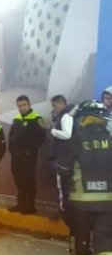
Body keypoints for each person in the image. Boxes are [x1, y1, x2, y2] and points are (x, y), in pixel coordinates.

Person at [66, 100, 112, 255]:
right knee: (106, 242)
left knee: (80, 243)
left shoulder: (75, 140)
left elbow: (63, 169)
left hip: (80, 204)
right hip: (108, 202)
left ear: (84, 118)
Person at [8, 94, 46, 214]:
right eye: (19, 105)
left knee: (29, 180)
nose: (22, 107)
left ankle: (30, 206)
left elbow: (41, 137)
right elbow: (12, 136)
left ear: (29, 105)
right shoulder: (17, 119)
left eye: (24, 105)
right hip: (16, 156)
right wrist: (12, 150)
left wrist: (30, 150)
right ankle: (20, 203)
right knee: (18, 179)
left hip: (28, 156)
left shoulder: (37, 118)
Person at [49, 94, 78, 224]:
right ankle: (65, 209)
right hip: (68, 156)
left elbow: (66, 135)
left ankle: (63, 210)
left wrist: (52, 130)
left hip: (64, 157)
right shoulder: (67, 115)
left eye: (55, 105)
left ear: (62, 103)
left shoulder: (66, 116)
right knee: (66, 186)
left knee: (62, 186)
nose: (54, 108)